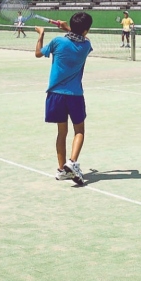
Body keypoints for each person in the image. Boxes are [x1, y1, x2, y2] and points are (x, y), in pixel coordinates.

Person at [35, 12, 94, 187]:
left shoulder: (57, 42)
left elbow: (38, 53)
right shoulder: (86, 46)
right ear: (86, 29)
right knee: (79, 131)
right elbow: (82, 37)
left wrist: (41, 35)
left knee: (62, 132)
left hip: (55, 95)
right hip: (75, 95)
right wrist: (69, 28)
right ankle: (72, 162)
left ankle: (62, 170)